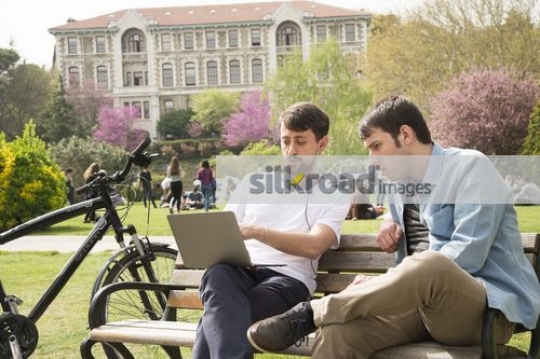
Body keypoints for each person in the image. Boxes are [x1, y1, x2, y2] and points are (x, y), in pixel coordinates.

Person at [247, 95, 540, 358]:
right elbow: (410, 226)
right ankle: (321, 317)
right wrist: (389, 221)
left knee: (431, 264)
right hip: (418, 309)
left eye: (377, 147)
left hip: (483, 311)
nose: (372, 161)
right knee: (339, 333)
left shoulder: (470, 168)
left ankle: (311, 313)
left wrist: (385, 279)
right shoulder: (400, 186)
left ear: (405, 134)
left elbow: (468, 255)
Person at [191, 102, 350, 359]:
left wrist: (258, 232)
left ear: (322, 144)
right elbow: (225, 228)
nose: (291, 151)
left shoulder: (336, 190)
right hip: (242, 271)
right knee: (217, 274)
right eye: (286, 141)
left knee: (218, 320)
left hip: (289, 280)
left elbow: (314, 245)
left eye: (301, 142)